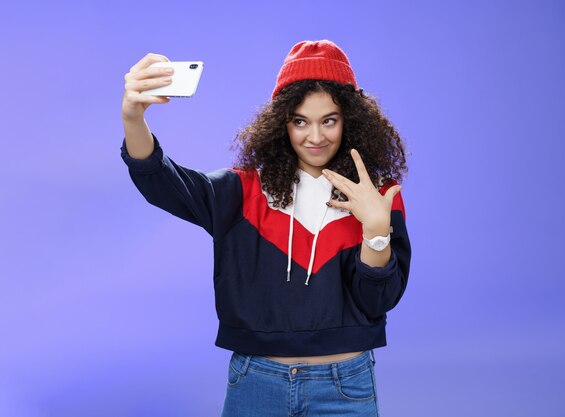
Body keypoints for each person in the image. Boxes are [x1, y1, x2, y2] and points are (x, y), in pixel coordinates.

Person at [120, 40, 411, 417]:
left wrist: (375, 227)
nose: (316, 136)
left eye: (330, 120)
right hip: (257, 382)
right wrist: (133, 119)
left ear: (350, 121)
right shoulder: (241, 192)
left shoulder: (378, 196)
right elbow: (162, 181)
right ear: (281, 124)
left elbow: (378, 302)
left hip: (344, 387)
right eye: (300, 121)